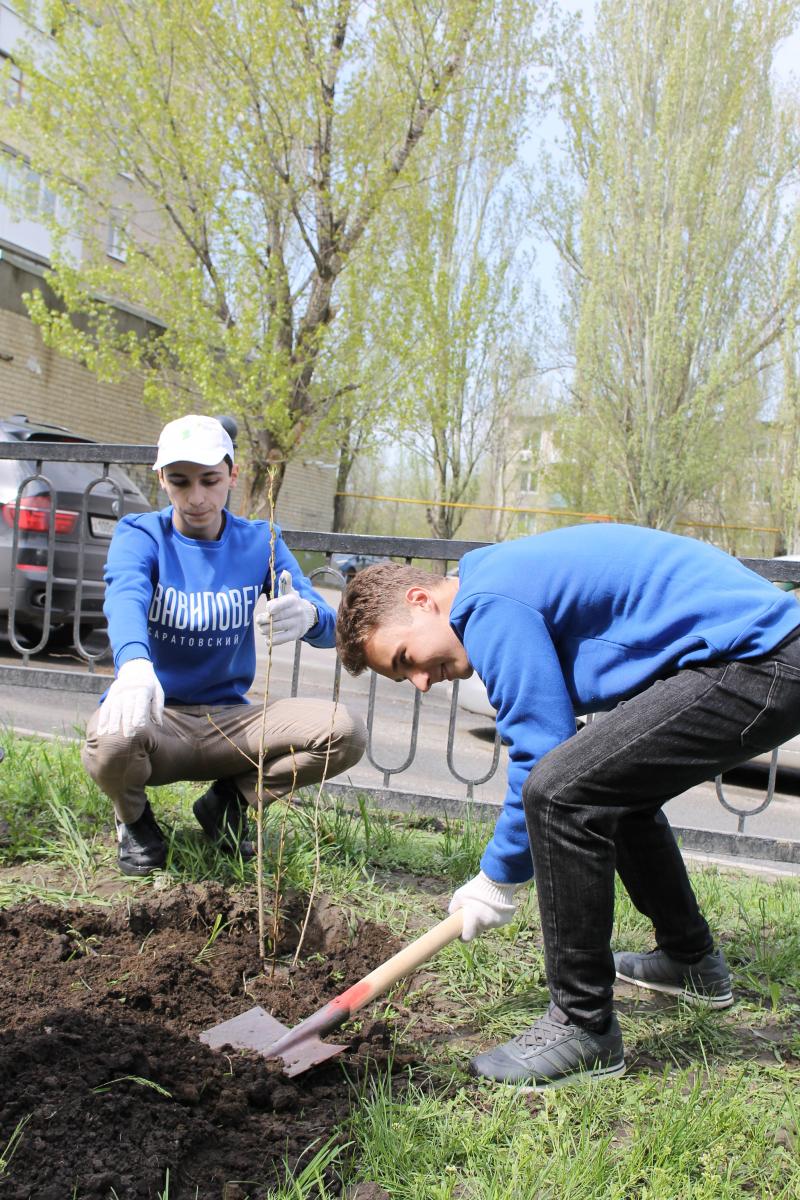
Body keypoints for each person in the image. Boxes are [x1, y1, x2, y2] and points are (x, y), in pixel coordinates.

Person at [335, 523, 800, 1089]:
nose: (420, 682)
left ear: (421, 600)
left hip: (761, 660)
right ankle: (690, 963)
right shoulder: (497, 582)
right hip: (767, 655)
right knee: (603, 783)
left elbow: (542, 755)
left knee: (560, 791)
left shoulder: (487, 604)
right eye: (402, 675)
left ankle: (583, 1026)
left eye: (406, 657)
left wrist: (497, 877)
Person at [83, 414, 366, 876]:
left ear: (232, 475)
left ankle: (228, 803)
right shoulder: (141, 535)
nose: (196, 498)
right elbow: (125, 594)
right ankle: (134, 823)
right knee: (109, 740)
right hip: (159, 721)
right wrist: (134, 663)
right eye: (180, 481)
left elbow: (325, 618)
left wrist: (311, 615)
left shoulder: (260, 541)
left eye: (210, 480)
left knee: (344, 732)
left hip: (231, 725)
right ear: (161, 479)